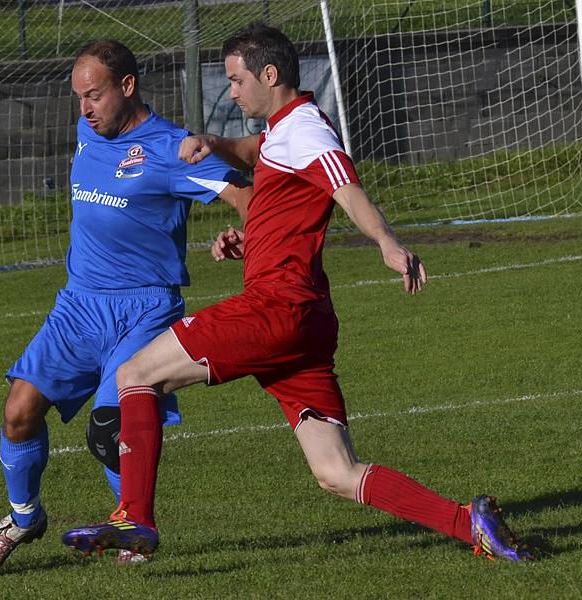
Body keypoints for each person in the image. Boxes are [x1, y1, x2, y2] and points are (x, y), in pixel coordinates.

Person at [61, 23, 532, 562]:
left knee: (134, 375)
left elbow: (344, 185)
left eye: (236, 81)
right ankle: (468, 522)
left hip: (276, 309)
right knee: (336, 472)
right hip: (305, 325)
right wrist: (233, 191)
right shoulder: (284, 130)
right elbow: (256, 154)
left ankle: (135, 518)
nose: (231, 92)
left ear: (270, 74)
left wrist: (387, 242)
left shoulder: (307, 128)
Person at [0, 39, 251, 570]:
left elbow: (249, 198)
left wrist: (246, 237)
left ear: (127, 86)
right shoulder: (87, 132)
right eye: (78, 98)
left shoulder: (171, 148)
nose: (84, 109)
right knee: (19, 413)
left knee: (110, 424)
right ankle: (25, 519)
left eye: (93, 96)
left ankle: (131, 531)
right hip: (78, 306)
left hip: (144, 310)